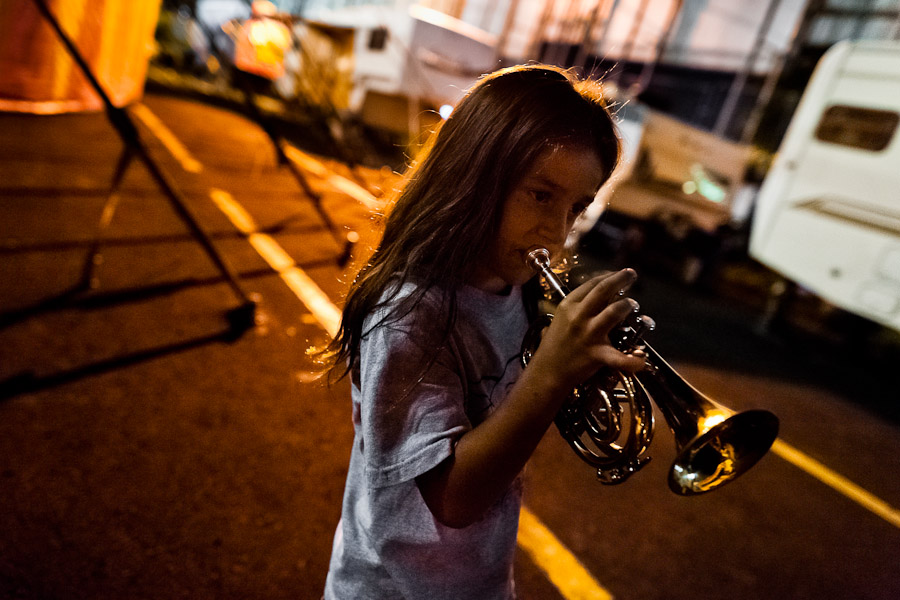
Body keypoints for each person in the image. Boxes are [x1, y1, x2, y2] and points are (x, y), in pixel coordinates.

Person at [321, 64, 647, 599]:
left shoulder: (514, 289)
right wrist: (550, 376)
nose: (558, 231)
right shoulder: (409, 315)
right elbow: (452, 499)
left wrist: (576, 376)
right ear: (471, 178)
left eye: (577, 207)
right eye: (541, 195)